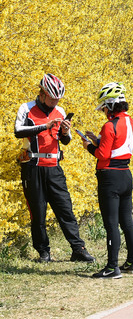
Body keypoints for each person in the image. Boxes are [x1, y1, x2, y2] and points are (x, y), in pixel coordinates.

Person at [14, 74, 94, 263]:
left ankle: (78, 249)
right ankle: (44, 252)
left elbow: (64, 141)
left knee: (65, 209)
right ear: (42, 94)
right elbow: (18, 131)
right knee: (38, 211)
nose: (55, 102)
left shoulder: (60, 110)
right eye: (51, 98)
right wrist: (45, 126)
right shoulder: (26, 108)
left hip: (54, 167)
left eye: (57, 99)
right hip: (33, 166)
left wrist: (65, 132)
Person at [82, 82, 133, 279]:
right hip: (126, 174)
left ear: (111, 105)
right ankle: (132, 262)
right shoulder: (131, 122)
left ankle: (112, 267)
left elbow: (103, 154)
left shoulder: (109, 125)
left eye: (104, 107)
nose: (103, 111)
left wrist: (89, 146)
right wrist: (97, 140)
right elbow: (120, 146)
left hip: (110, 178)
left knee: (111, 224)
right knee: (127, 222)